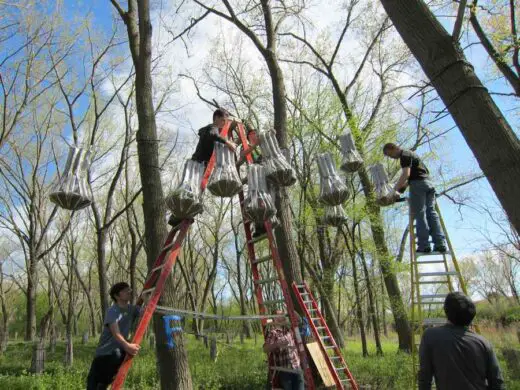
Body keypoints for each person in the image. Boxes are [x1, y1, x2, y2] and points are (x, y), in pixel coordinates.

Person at [418, 292, 505, 390]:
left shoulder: (430, 336)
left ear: (446, 311)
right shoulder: (484, 343)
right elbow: (497, 382)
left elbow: (424, 378)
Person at [168, 109, 237, 227]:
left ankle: (181, 214)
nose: (224, 123)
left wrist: (233, 143)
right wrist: (228, 142)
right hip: (197, 165)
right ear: (216, 118)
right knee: (189, 190)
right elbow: (213, 134)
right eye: (223, 120)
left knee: (195, 191)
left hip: (201, 166)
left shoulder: (214, 133)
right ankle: (176, 215)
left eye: (226, 121)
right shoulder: (211, 128)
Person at [383, 143, 446, 253]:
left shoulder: (404, 156)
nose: (391, 157)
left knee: (420, 214)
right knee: (431, 212)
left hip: (418, 186)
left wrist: (393, 190)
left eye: (390, 154)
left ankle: (424, 245)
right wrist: (399, 191)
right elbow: (411, 177)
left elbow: (406, 175)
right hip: (429, 184)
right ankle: (440, 243)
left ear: (393, 148)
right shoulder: (411, 154)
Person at [86, 282, 141, 390]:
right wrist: (127, 346)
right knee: (93, 385)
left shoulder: (132, 309)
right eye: (125, 290)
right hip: (104, 355)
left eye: (129, 289)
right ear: (117, 296)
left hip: (117, 353)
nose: (129, 291)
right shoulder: (112, 311)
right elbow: (115, 333)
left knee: (104, 384)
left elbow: (146, 312)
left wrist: (145, 298)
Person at [264, 309, 304, 390]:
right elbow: (265, 349)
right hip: (285, 371)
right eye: (280, 315)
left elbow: (299, 320)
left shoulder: (288, 328)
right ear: (275, 318)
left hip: (296, 367)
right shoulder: (273, 332)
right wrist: (278, 343)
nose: (282, 317)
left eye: (282, 315)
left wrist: (288, 311)